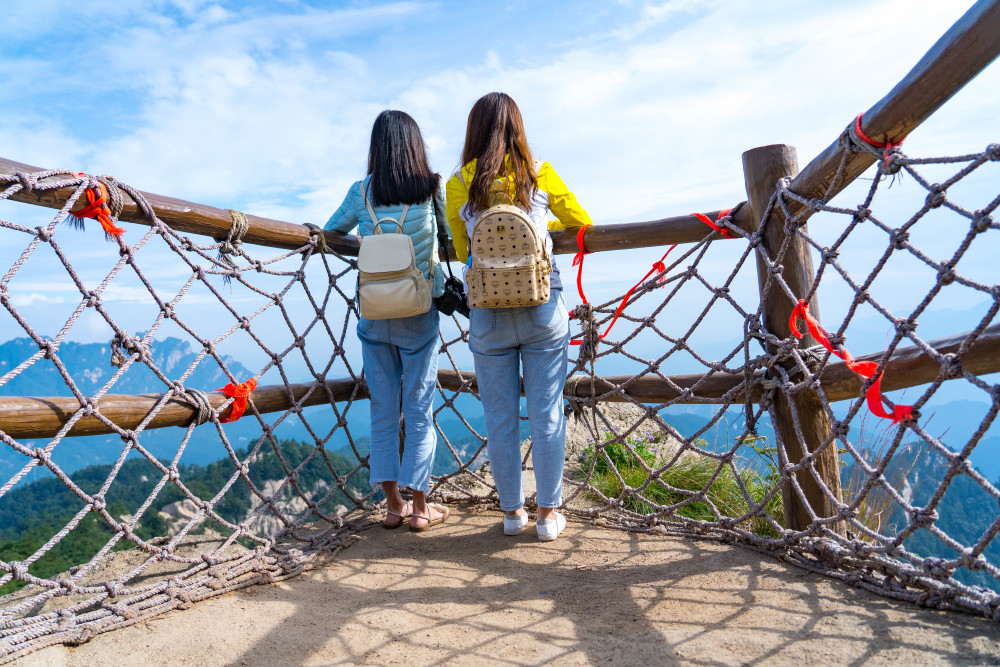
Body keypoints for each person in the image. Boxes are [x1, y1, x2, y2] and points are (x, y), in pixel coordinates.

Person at [446, 92, 593, 541]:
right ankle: (548, 515)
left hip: (487, 313)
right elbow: (582, 222)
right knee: (546, 413)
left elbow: (458, 250)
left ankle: (512, 514)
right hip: (542, 309)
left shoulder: (459, 184)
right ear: (518, 127)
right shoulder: (539, 175)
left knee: (499, 417)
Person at [326, 110, 449, 532]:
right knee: (419, 408)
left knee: (383, 409)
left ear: (375, 147)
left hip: (375, 311)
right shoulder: (432, 189)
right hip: (419, 310)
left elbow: (331, 231)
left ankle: (393, 506)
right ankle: (420, 508)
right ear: (416, 145)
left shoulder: (361, 191)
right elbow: (452, 238)